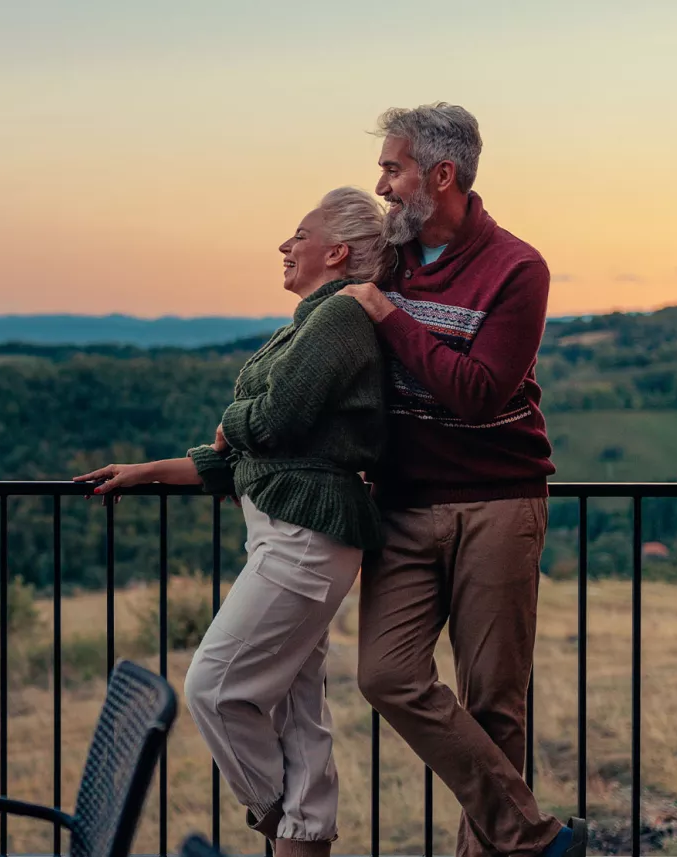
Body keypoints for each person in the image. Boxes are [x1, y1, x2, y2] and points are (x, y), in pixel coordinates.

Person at [75, 187, 391, 857]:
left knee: (213, 686)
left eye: (298, 234)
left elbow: (271, 424)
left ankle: (278, 821)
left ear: (335, 251)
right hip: (297, 536)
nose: (285, 244)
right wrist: (149, 470)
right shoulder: (313, 323)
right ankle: (301, 835)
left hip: (302, 543)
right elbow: (253, 453)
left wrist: (231, 424)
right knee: (300, 713)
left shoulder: (337, 319)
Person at [338, 103, 586, 857]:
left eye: (393, 167)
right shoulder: (388, 255)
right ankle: (536, 839)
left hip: (498, 501)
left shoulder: (517, 269)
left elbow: (478, 389)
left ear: (440, 176)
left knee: (494, 704)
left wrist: (386, 314)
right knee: (385, 673)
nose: (380, 185)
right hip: (405, 504)